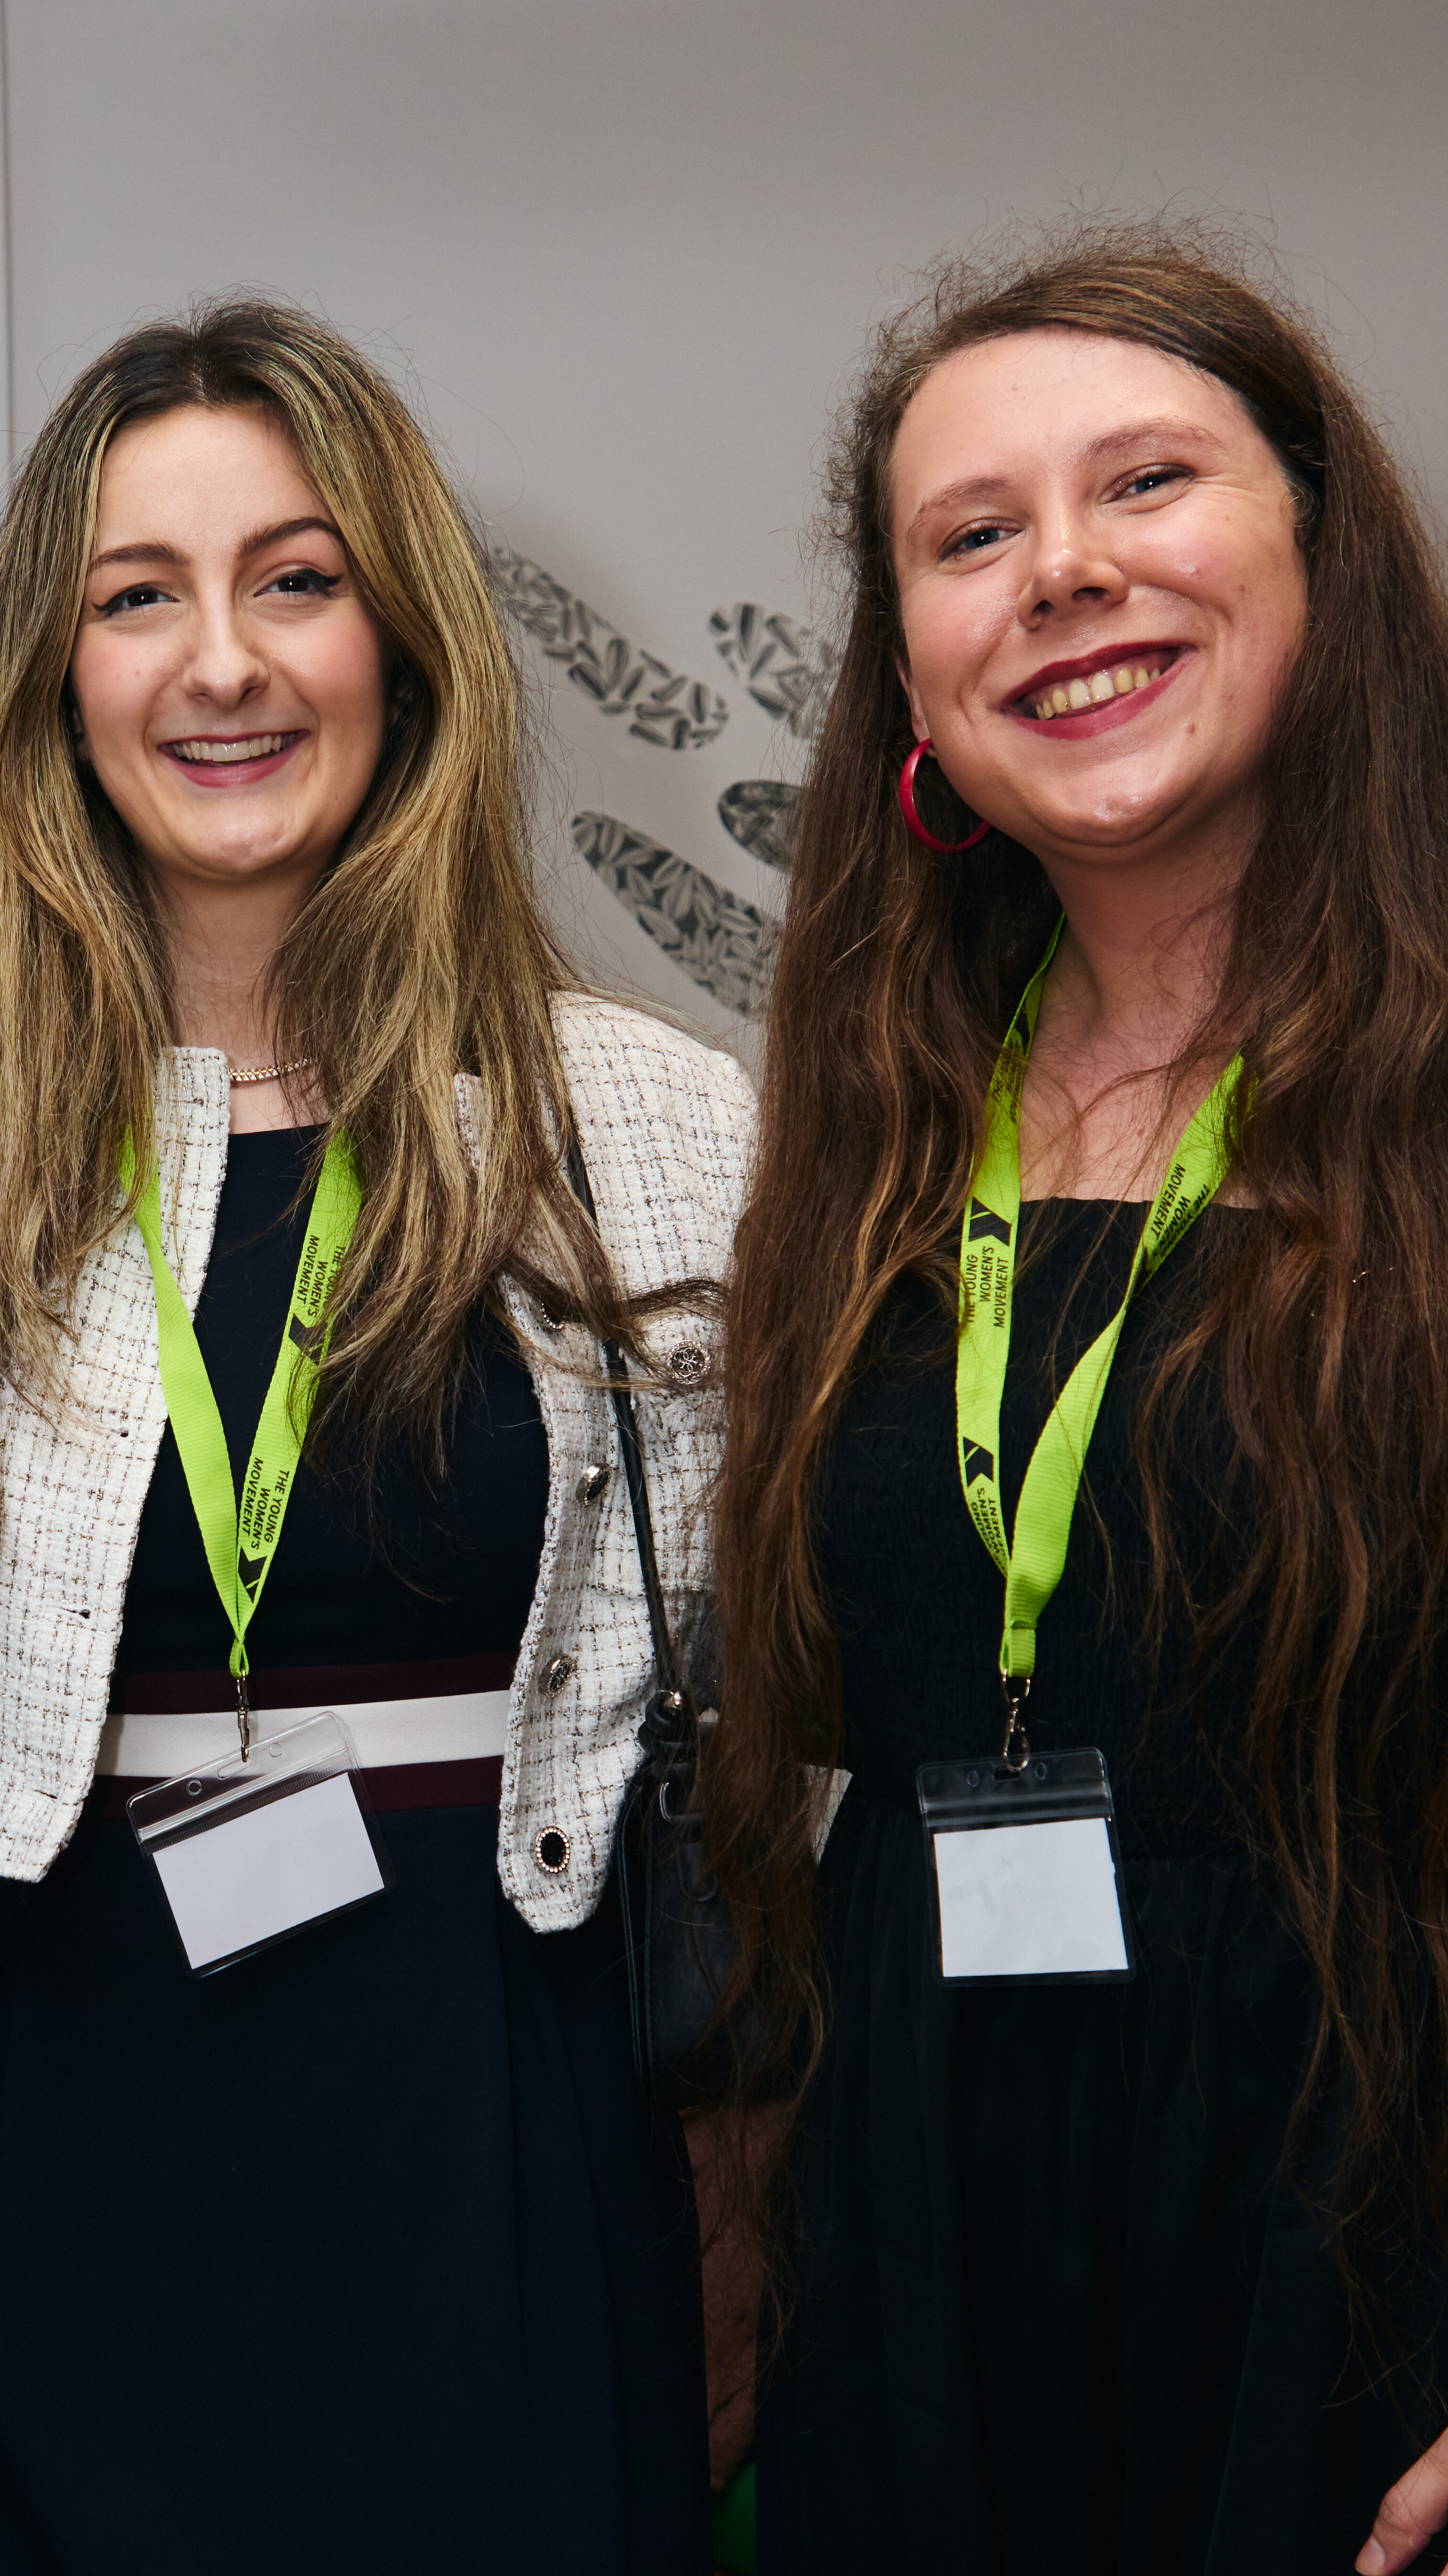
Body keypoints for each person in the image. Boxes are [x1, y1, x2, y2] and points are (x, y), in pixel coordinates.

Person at [0, 298, 750, 2574]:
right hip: (45, 2090)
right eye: (135, 596)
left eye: (295, 578)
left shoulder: (647, 1120)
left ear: (404, 638)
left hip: (504, 2078)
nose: (223, 665)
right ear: (54, 680)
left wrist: (754, 2173)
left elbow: (769, 1718)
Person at [701, 225, 1448, 2575]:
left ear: (1321, 557)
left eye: (1147, 483)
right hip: (919, 2240)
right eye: (974, 536)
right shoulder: (868, 1130)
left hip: (1359, 2242)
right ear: (910, 672)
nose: (1066, 574)